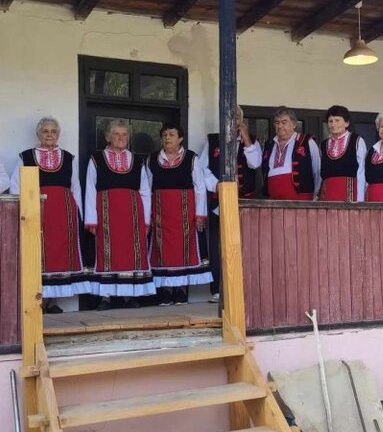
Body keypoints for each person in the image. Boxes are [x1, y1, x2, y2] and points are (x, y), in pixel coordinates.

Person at [9, 117, 90, 313]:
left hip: (64, 213)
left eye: (53, 131)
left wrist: (78, 214)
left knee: (59, 253)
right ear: (38, 134)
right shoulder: (26, 156)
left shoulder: (68, 158)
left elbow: (75, 187)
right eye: (45, 131)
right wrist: (23, 213)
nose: (49, 135)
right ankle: (38, 300)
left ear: (58, 134)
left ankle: (53, 301)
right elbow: (16, 187)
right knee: (38, 252)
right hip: (37, 212)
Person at [84, 120, 155, 309]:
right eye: (116, 134)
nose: (121, 138)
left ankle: (129, 296)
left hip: (132, 216)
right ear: (108, 137)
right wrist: (91, 220)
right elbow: (90, 189)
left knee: (131, 253)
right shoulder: (96, 159)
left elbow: (145, 191)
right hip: (106, 214)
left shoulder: (137, 160)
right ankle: (105, 297)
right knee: (106, 253)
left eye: (124, 134)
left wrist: (146, 220)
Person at [199, 105, 262, 303]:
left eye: (236, 117)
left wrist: (246, 138)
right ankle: (219, 290)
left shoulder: (252, 140)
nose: (233, 121)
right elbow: (203, 169)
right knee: (218, 246)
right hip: (219, 200)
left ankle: (245, 289)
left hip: (244, 201)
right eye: (229, 117)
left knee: (244, 244)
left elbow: (255, 163)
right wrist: (216, 186)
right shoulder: (213, 140)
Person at [147, 124, 211, 305]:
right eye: (164, 135)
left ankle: (181, 290)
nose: (167, 138)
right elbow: (147, 189)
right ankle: (166, 291)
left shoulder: (191, 158)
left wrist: (200, 215)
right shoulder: (152, 159)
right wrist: (147, 216)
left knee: (184, 250)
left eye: (171, 134)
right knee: (163, 251)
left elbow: (200, 188)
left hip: (185, 215)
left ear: (180, 138)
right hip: (161, 215)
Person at [261, 106, 320, 200]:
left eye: (284, 122)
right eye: (277, 122)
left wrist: (314, 197)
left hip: (301, 201)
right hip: (273, 202)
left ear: (294, 124)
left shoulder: (307, 142)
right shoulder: (269, 145)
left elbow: (317, 171)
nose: (280, 126)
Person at [318, 105, 366, 202]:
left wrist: (360, 200)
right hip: (328, 196)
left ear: (347, 123)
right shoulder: (323, 145)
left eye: (337, 120)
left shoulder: (356, 140)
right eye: (330, 121)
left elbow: (362, 171)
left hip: (350, 196)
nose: (333, 124)